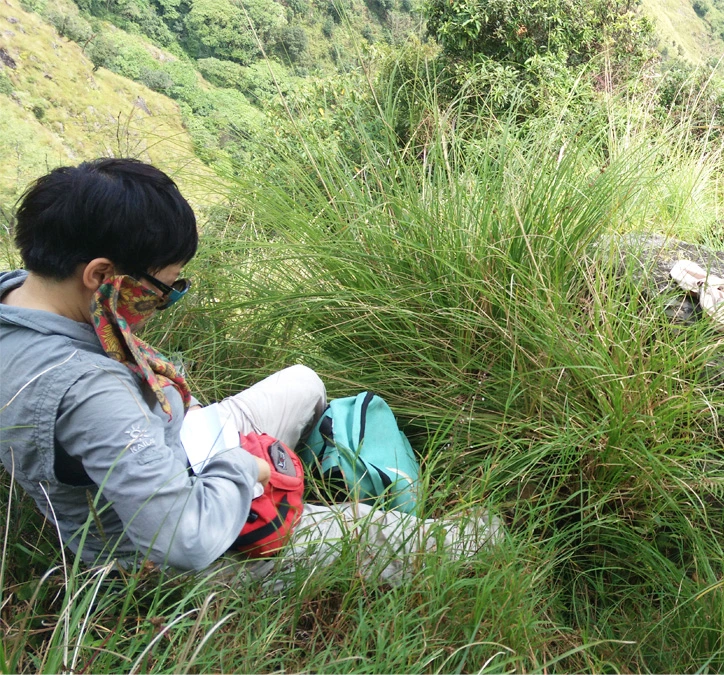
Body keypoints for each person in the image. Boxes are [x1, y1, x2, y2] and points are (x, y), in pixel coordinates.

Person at [0, 158, 501, 582]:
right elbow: (184, 538)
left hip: (180, 444)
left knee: (304, 383)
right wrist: (243, 468)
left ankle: (313, 479)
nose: (164, 303)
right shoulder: (90, 390)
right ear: (101, 275)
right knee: (370, 532)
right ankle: (471, 543)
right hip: (167, 548)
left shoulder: (19, 295)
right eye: (165, 289)